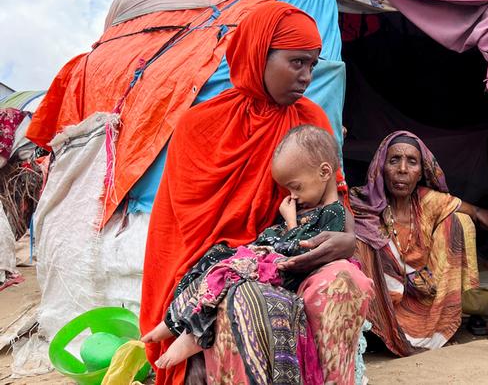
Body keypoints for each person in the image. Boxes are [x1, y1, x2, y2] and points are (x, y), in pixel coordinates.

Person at [140, 2, 373, 385]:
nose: (306, 77)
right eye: (296, 62)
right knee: (246, 301)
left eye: (313, 65)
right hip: (217, 264)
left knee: (345, 281)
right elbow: (183, 235)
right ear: (258, 54)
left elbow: (336, 195)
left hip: (290, 255)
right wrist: (241, 265)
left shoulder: (310, 120)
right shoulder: (199, 125)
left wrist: (346, 239)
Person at [142, 125, 347, 370]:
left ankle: (194, 335)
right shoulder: (308, 206)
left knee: (228, 273)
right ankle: (174, 320)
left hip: (278, 270)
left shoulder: (334, 213)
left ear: (325, 172)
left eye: (296, 187)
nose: (293, 196)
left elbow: (301, 252)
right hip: (264, 257)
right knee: (214, 257)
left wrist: (290, 222)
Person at [350, 131, 488, 357]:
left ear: (420, 173)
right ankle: (382, 332)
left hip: (427, 293)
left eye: (412, 162)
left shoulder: (426, 200)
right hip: (383, 304)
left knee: (459, 220)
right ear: (381, 167)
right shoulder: (363, 205)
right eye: (394, 160)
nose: (403, 170)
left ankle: (438, 325)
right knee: (360, 239)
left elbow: (477, 212)